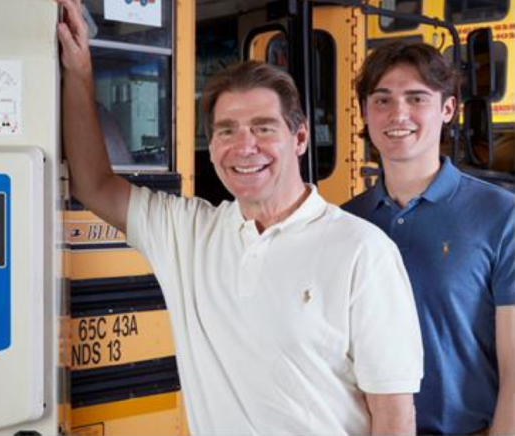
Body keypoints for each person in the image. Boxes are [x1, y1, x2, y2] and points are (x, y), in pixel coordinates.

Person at [56, 0, 423, 433]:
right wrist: (80, 70)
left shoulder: (364, 251)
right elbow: (94, 183)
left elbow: (394, 414)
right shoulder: (187, 233)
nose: (244, 146)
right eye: (226, 130)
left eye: (264, 127)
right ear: (211, 147)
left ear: (299, 137)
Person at [343, 40, 515, 435]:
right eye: (382, 100)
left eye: (416, 98)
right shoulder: (346, 223)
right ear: (366, 112)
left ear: (448, 109)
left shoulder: (500, 215)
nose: (398, 113)